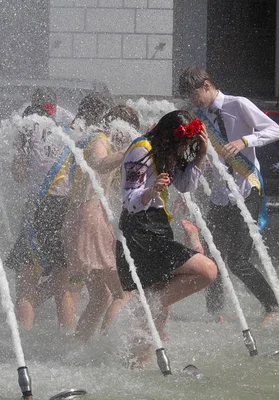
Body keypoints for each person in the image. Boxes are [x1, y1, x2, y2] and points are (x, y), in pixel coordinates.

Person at [178, 66, 279, 320]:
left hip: (246, 190)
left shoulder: (239, 105)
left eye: (194, 95)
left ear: (206, 85)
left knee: (238, 260)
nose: (193, 102)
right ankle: (216, 313)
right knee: (213, 259)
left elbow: (276, 130)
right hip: (219, 195)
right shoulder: (199, 118)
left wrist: (245, 141)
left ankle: (274, 307)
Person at [115, 110, 217, 363]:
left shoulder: (168, 152)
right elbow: (129, 200)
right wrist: (151, 191)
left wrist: (201, 155)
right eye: (182, 143)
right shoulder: (142, 149)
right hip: (139, 229)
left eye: (188, 145)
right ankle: (147, 307)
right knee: (207, 270)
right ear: (168, 137)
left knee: (161, 311)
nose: (184, 149)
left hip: (158, 225)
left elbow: (185, 186)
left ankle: (138, 363)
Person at [62, 104, 138, 342]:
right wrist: (130, 150)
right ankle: (109, 348)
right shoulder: (98, 140)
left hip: (83, 218)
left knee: (99, 296)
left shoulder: (96, 140)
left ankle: (80, 346)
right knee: (123, 292)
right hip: (91, 220)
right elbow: (99, 163)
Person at [5, 87, 75, 331]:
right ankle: (67, 342)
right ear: (54, 104)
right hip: (66, 207)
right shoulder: (70, 127)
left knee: (26, 283)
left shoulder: (25, 128)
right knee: (62, 286)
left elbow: (19, 174)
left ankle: (23, 341)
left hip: (38, 207)